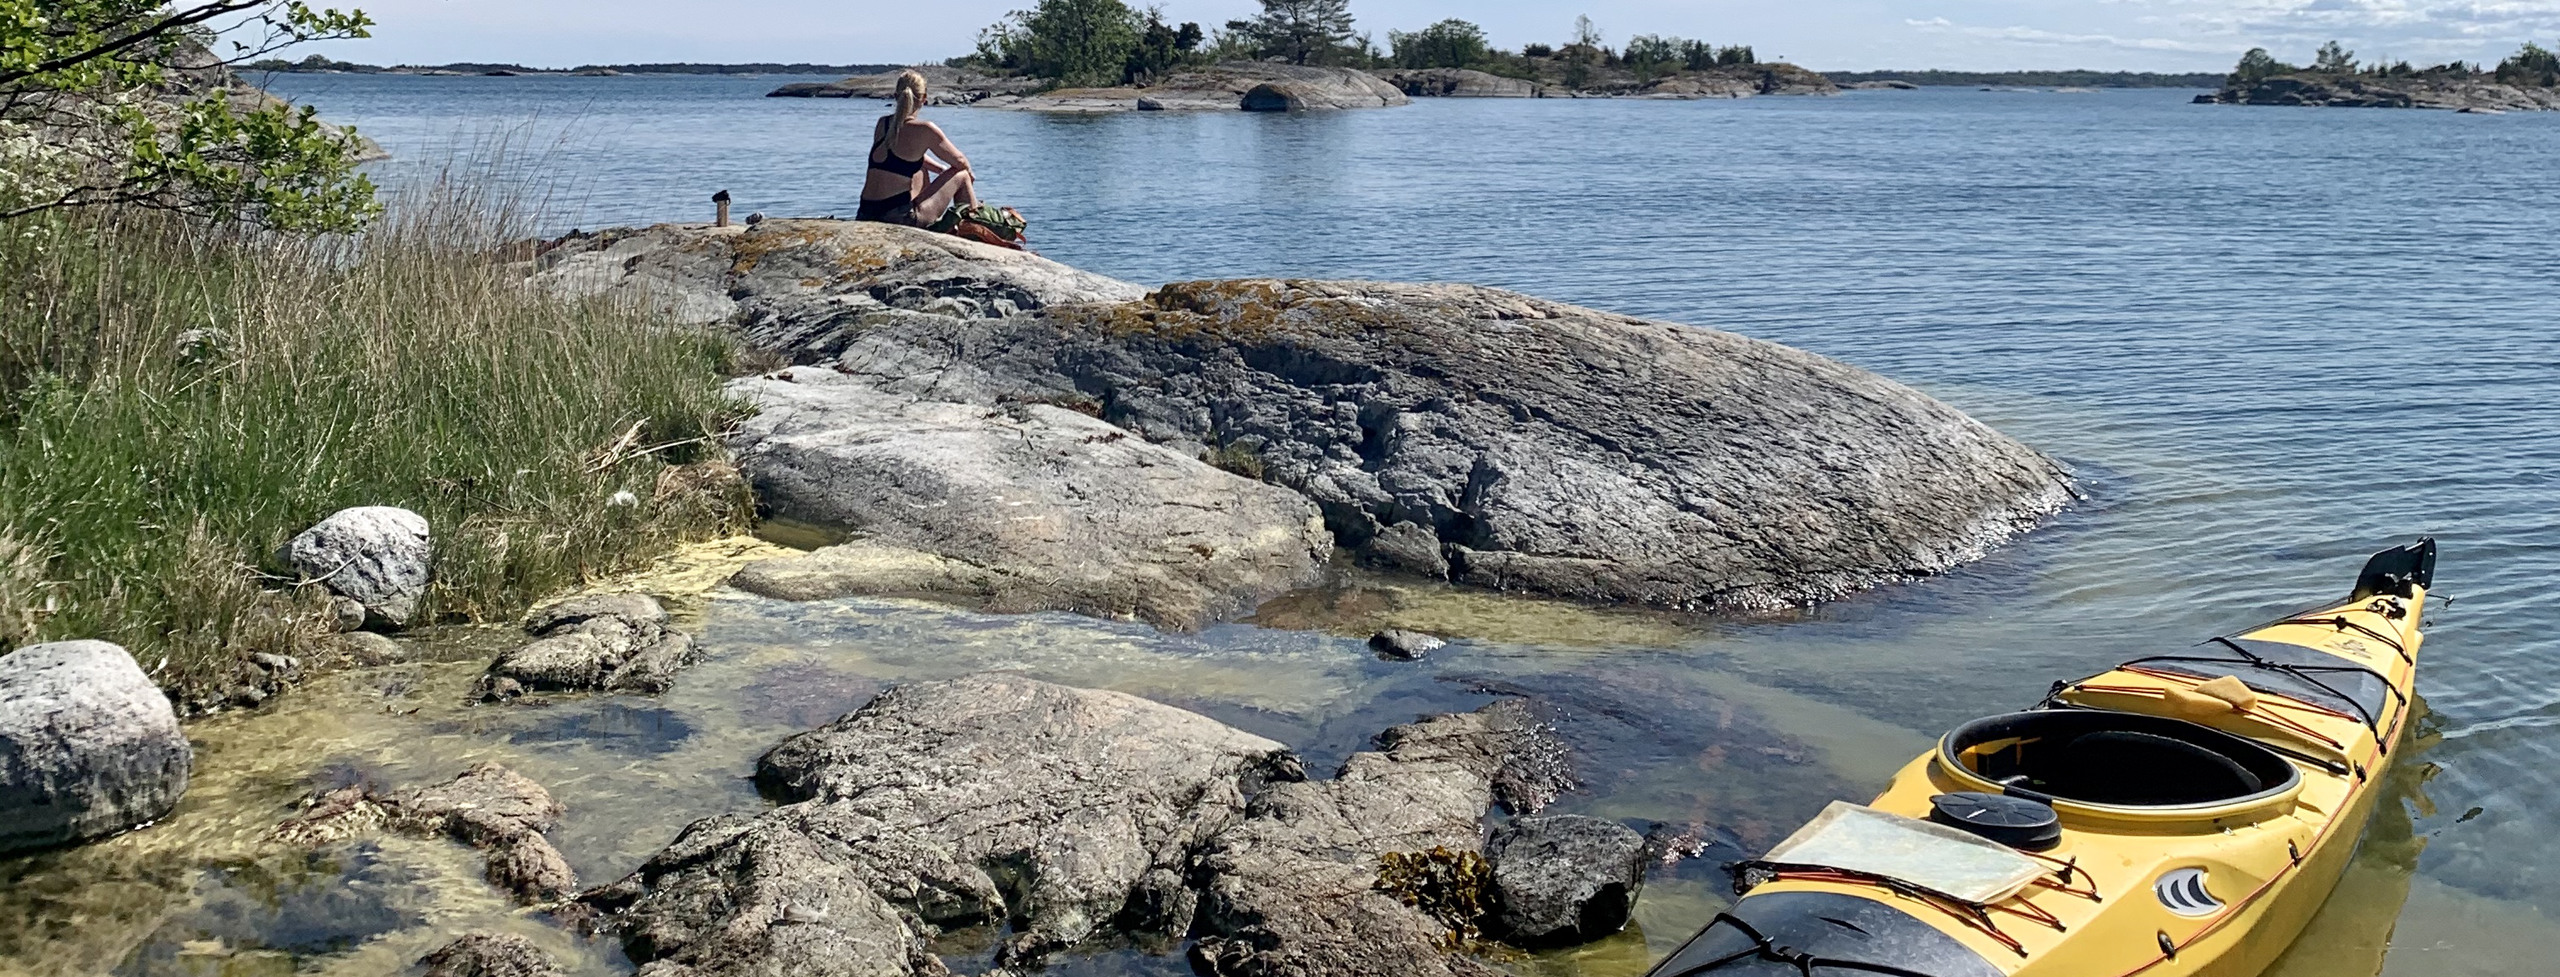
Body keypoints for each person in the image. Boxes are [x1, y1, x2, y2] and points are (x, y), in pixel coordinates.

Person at [857, 70, 978, 227]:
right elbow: (960, 161)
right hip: (898, 218)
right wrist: (969, 175)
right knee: (961, 175)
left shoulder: (883, 124)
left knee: (920, 169)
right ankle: (975, 227)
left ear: (896, 96)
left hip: (866, 213)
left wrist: (940, 169)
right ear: (924, 99)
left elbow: (901, 157)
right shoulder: (925, 129)